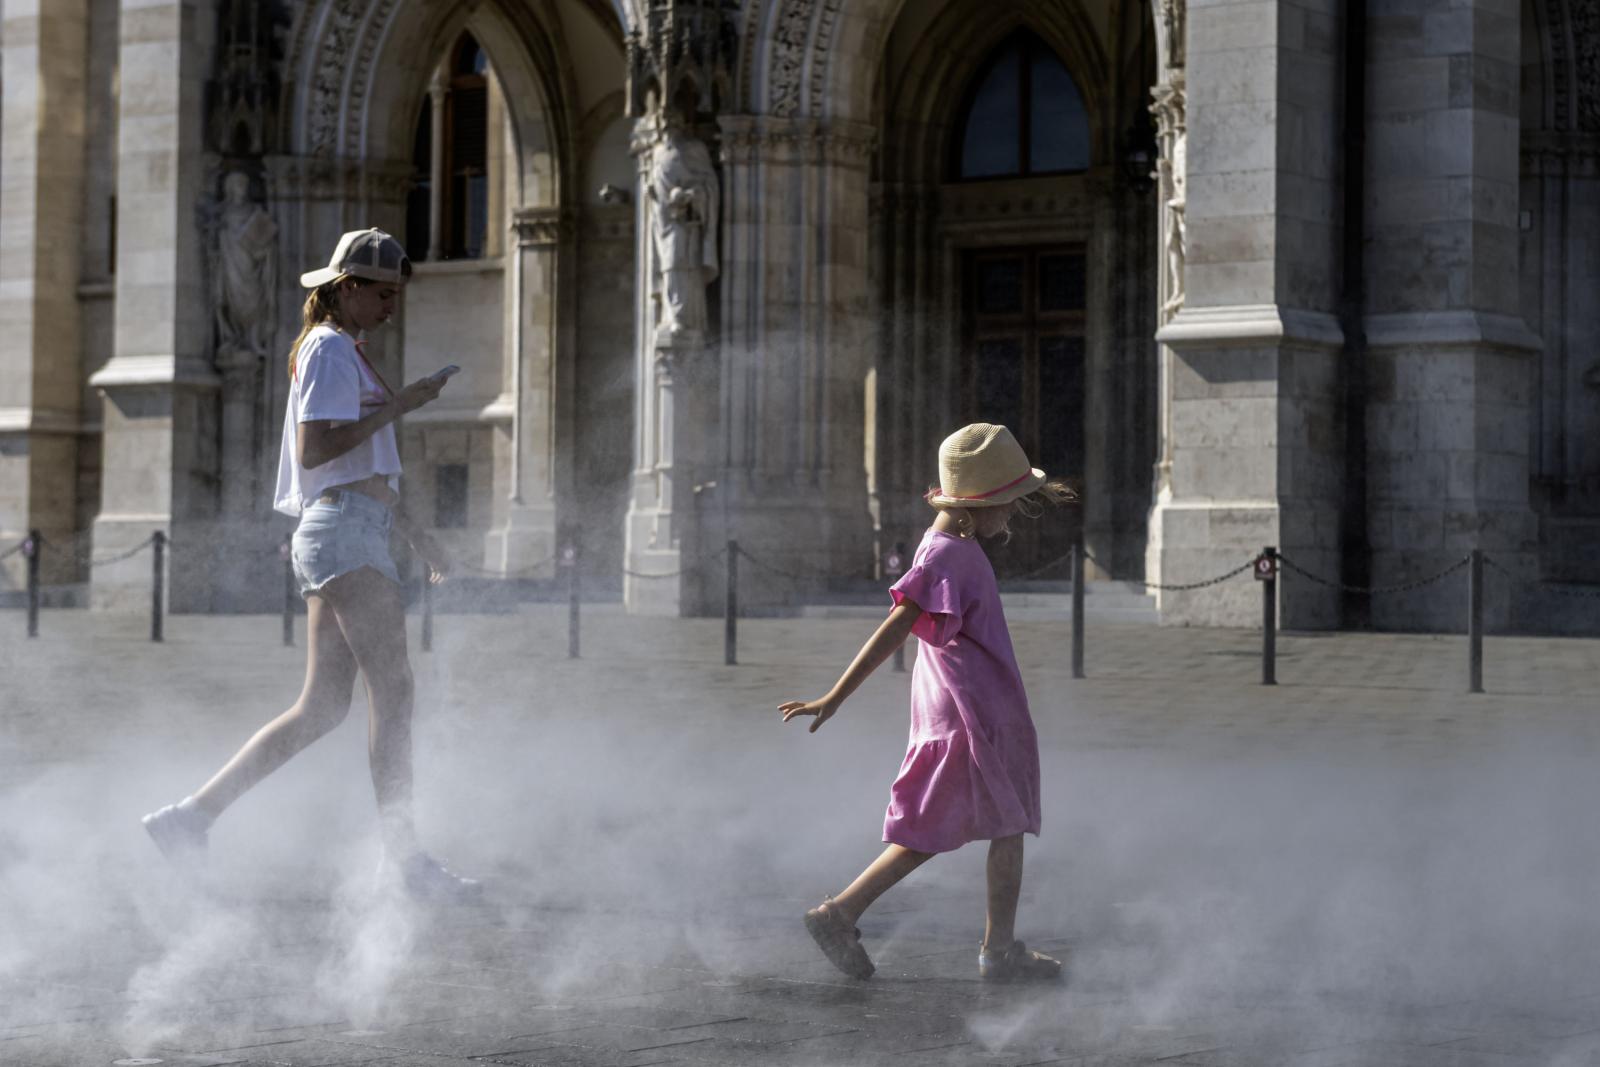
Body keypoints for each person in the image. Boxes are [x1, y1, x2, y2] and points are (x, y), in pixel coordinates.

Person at [141, 228, 479, 901]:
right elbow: (318, 449)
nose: (392, 307)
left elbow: (366, 470)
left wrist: (418, 536)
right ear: (347, 288)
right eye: (382, 294)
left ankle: (189, 818)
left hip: (349, 530)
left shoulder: (342, 349)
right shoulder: (328, 348)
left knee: (322, 706)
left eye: (395, 295)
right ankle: (403, 863)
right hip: (345, 534)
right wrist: (403, 403)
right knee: (395, 692)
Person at [779, 423, 1072, 981]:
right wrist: (836, 696)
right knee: (1006, 823)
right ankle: (998, 951)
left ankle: (842, 914)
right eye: (1008, 503)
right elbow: (897, 624)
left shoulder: (946, 545)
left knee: (937, 827)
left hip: (964, 708)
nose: (1012, 514)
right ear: (973, 508)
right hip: (976, 713)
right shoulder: (947, 555)